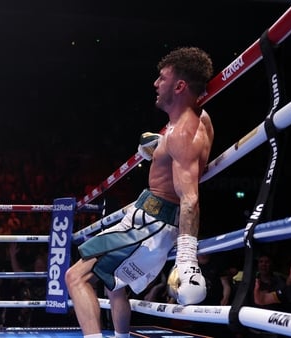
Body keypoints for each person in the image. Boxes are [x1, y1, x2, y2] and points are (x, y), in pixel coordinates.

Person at [65, 47, 214, 338]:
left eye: (162, 78)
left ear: (180, 86)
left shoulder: (183, 132)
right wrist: (159, 144)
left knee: (75, 277)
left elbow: (190, 198)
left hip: (152, 221)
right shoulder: (191, 121)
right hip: (149, 216)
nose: (156, 84)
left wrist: (187, 258)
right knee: (115, 285)